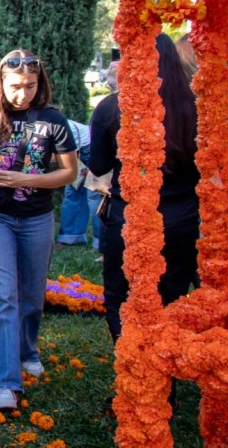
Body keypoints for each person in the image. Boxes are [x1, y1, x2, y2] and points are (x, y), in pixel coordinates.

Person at [0, 50, 78, 411]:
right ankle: (5, 382)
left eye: (30, 86)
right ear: (1, 82)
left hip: (37, 217)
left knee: (32, 294)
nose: (23, 94)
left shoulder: (53, 119)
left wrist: (26, 178)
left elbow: (69, 173)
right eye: (16, 86)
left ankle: (27, 348)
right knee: (3, 296)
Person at [88, 34, 200, 344]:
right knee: (172, 299)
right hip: (182, 219)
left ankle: (137, 379)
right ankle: (164, 383)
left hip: (131, 218)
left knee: (121, 298)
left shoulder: (112, 108)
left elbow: (98, 165)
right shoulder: (196, 105)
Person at [56, 119, 103, 248]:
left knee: (95, 194)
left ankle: (102, 242)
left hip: (92, 147)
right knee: (72, 192)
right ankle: (71, 237)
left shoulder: (58, 125)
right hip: (77, 150)